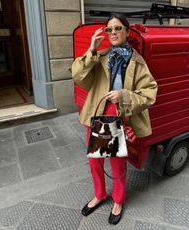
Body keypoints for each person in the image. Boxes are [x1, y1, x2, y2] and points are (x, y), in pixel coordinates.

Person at [72, 14, 157, 225]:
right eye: (109, 30)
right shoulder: (99, 57)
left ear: (127, 32)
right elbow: (78, 76)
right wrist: (91, 49)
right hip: (99, 114)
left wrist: (124, 96)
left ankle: (118, 200)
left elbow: (150, 93)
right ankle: (100, 195)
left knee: (118, 166)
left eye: (117, 28)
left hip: (120, 116)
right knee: (95, 162)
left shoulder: (137, 62)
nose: (112, 33)